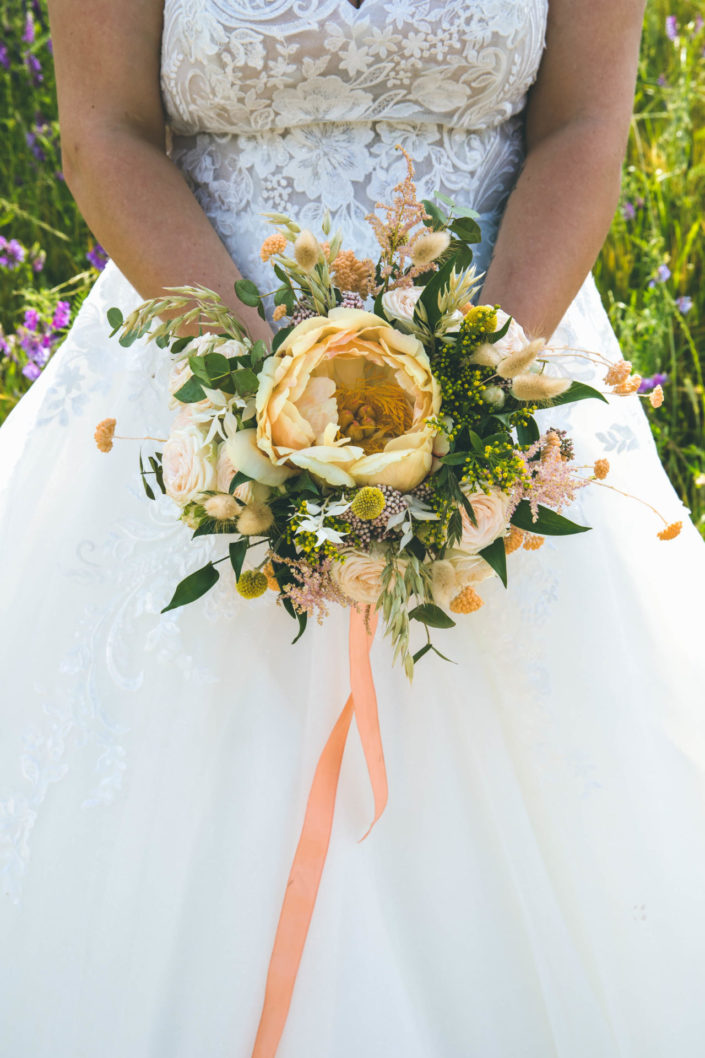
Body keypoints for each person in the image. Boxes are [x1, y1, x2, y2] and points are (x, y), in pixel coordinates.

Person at [2, 1, 705, 1055]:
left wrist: (469, 403)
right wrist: (282, 390)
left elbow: (585, 123)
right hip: (201, 369)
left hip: (505, 346)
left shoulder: (486, 387)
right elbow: (104, 131)